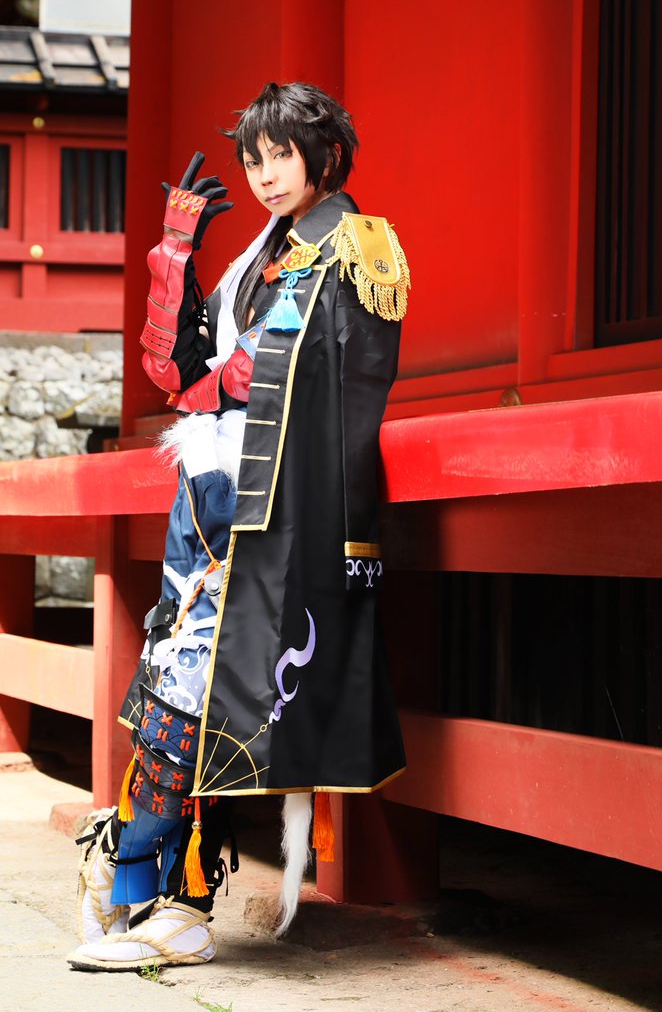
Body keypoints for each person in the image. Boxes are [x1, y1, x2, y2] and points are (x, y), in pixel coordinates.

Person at [67, 81, 410, 972]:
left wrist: (205, 387)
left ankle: (164, 894)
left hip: (279, 503)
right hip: (208, 493)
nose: (263, 175)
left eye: (280, 155)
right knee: (167, 687)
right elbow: (173, 372)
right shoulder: (258, 256)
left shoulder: (356, 246)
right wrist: (175, 253)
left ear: (326, 153)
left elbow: (269, 377)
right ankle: (145, 894)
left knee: (200, 698)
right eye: (252, 159)